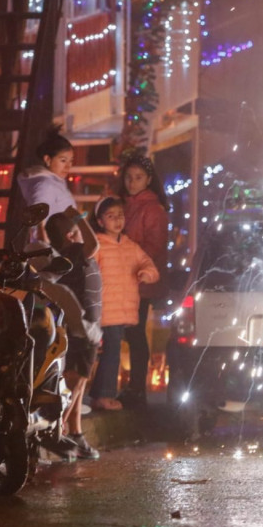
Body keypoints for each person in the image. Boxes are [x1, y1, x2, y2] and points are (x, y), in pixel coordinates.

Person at [88, 197, 159, 411]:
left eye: (120, 215)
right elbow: (87, 273)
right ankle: (104, 395)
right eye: (111, 216)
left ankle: (99, 394)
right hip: (105, 309)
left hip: (122, 310)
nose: (117, 220)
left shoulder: (131, 246)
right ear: (100, 221)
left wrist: (146, 274)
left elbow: (150, 266)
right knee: (111, 350)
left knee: (111, 349)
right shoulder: (97, 246)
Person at [44, 206, 103, 459]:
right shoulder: (75, 252)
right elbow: (94, 244)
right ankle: (59, 435)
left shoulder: (64, 256)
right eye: (77, 231)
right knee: (75, 381)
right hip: (82, 329)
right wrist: (79, 216)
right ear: (70, 236)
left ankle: (76, 433)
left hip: (84, 327)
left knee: (79, 383)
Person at [115, 155, 169, 408]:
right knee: (126, 333)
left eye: (138, 178)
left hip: (139, 280)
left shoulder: (152, 209)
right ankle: (133, 387)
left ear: (148, 180)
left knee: (134, 334)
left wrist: (129, 260)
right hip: (122, 279)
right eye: (128, 177)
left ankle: (137, 388)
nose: (132, 183)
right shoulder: (124, 205)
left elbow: (154, 247)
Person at [17, 126, 76, 240]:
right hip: (53, 249)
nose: (68, 166)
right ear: (48, 159)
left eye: (71, 161)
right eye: (63, 160)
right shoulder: (45, 185)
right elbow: (38, 221)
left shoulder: (56, 182)